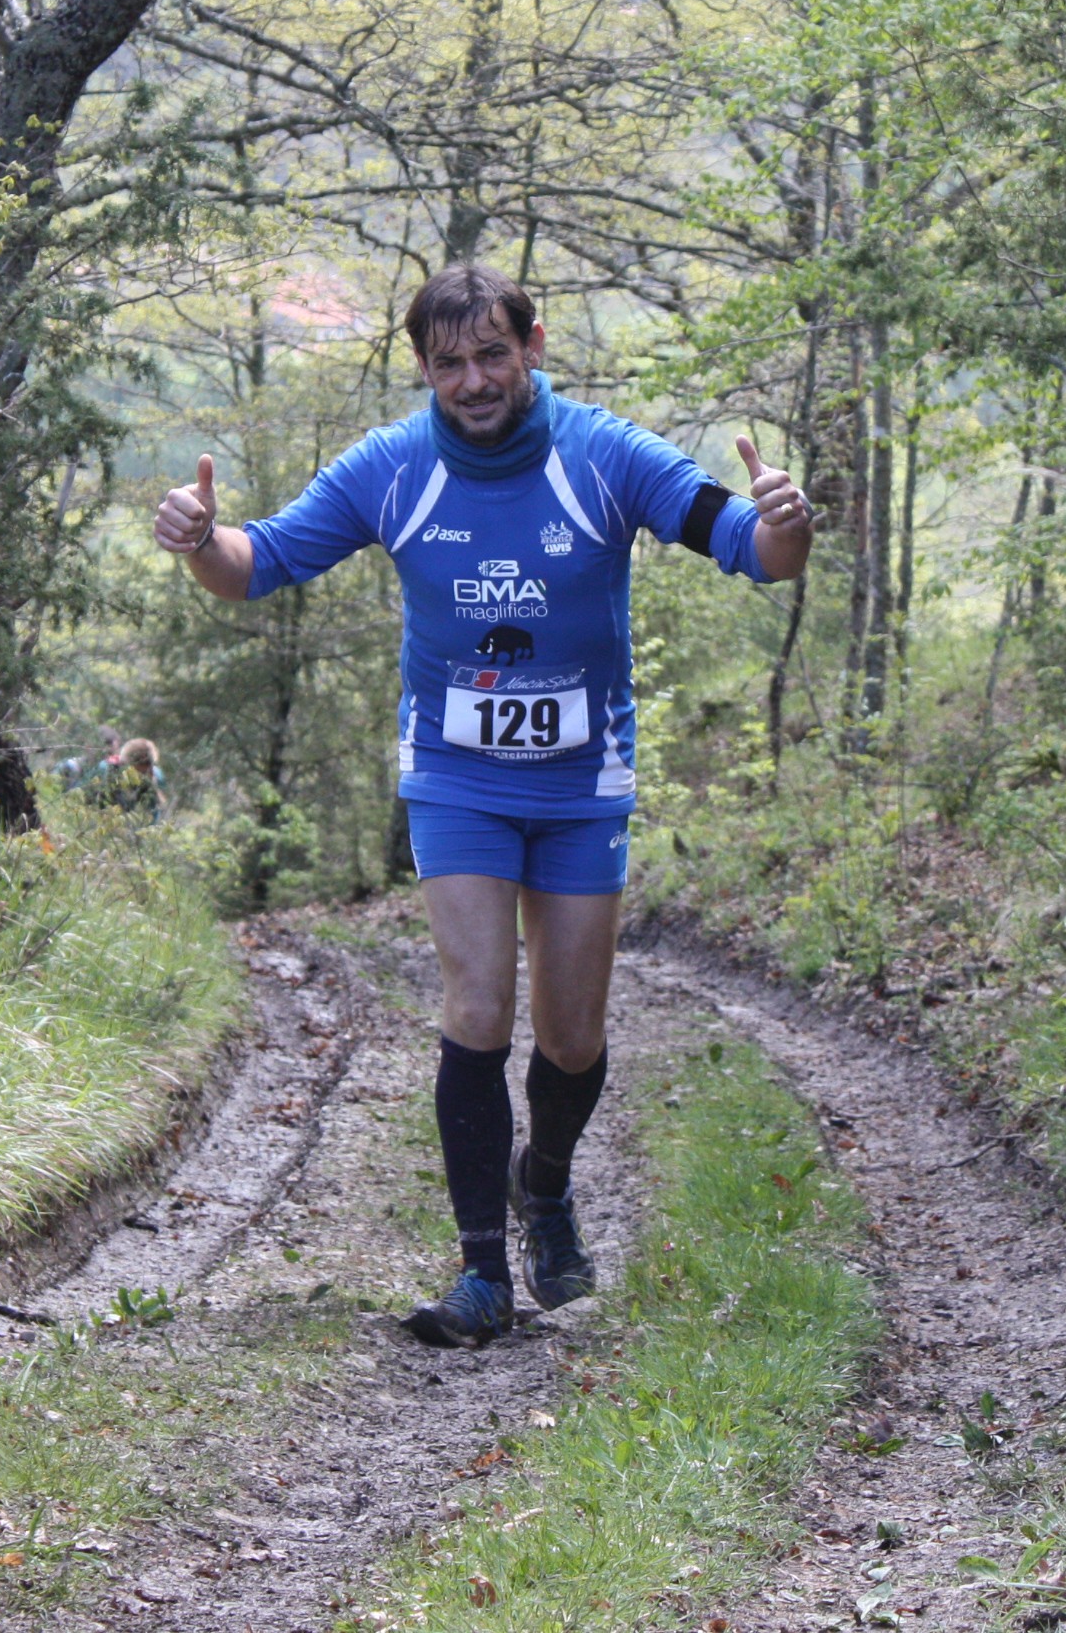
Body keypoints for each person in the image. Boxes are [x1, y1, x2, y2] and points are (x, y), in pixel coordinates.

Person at [151, 264, 812, 1346]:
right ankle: (479, 1274)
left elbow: (755, 551)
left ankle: (542, 1182)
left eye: (491, 354)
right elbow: (255, 564)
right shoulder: (393, 467)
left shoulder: (603, 455)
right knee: (476, 1008)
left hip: (580, 777)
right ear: (422, 369)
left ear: (533, 346)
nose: (472, 380)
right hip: (455, 774)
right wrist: (196, 540)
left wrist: (785, 519)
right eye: (447, 361)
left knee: (571, 1033)